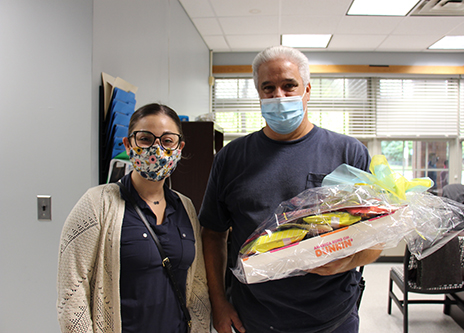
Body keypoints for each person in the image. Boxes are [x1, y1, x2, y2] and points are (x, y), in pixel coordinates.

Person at [199, 46, 381, 333]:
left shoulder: (349, 153)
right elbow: (212, 234)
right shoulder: (231, 158)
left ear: (307, 90)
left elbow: (377, 237)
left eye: (289, 86)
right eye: (268, 88)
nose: (279, 97)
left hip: (333, 319)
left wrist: (346, 262)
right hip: (255, 320)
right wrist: (219, 303)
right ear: (258, 93)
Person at [57, 103, 210, 333]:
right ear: (128, 144)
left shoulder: (185, 207)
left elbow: (197, 286)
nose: (157, 149)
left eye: (167, 141)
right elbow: (72, 293)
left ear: (179, 148)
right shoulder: (96, 204)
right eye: (146, 139)